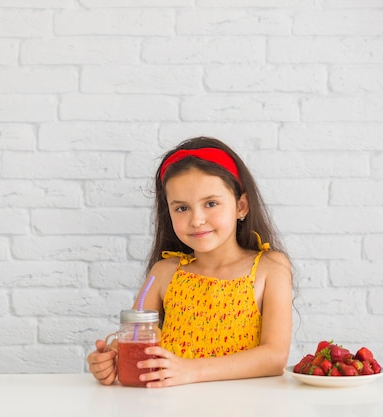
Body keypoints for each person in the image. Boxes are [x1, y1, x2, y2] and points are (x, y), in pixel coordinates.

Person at [87, 136, 293, 388]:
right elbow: (134, 341)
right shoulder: (163, 272)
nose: (197, 219)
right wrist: (110, 360)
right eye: (182, 208)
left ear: (241, 206)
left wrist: (190, 370)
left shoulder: (270, 268)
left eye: (211, 203)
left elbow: (274, 357)